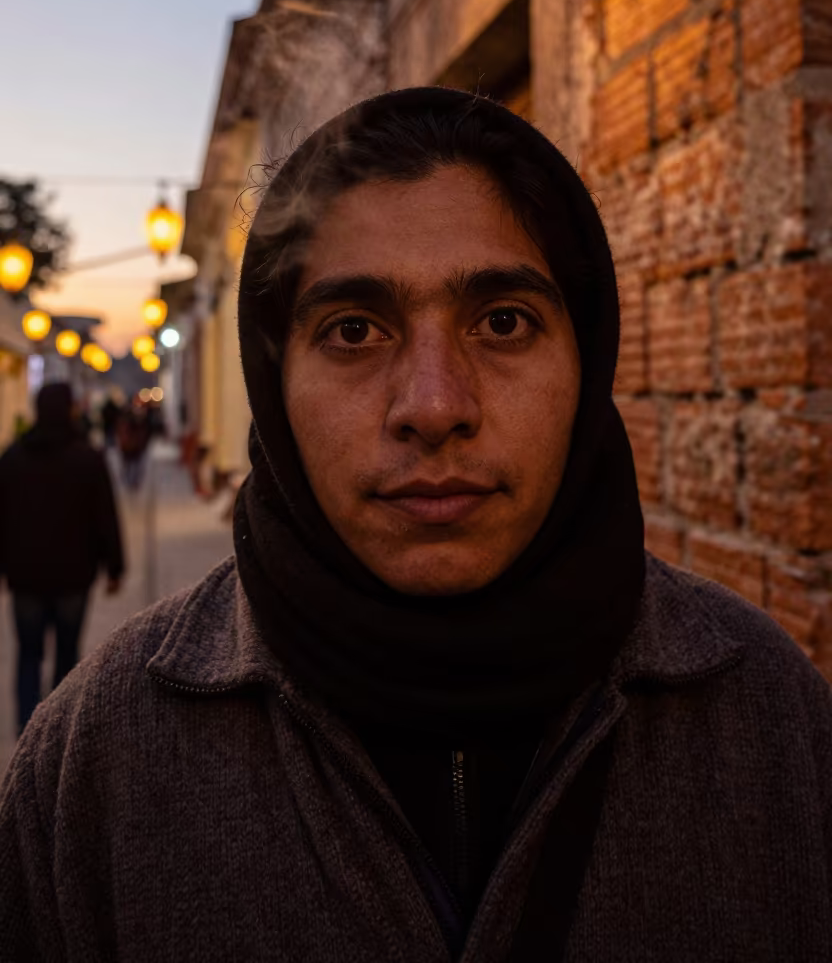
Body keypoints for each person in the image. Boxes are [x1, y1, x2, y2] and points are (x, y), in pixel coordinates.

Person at [1, 89, 830, 961]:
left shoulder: (771, 724)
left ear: (586, 362)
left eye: (503, 323)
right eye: (355, 331)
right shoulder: (94, 769)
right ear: (274, 383)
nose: (434, 407)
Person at [0, 381, 124, 736]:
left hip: (26, 577)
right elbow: (105, 517)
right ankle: (55, 732)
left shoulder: (13, 458)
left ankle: (27, 729)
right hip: (73, 576)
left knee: (28, 653)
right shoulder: (87, 458)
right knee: (67, 656)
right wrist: (114, 567)